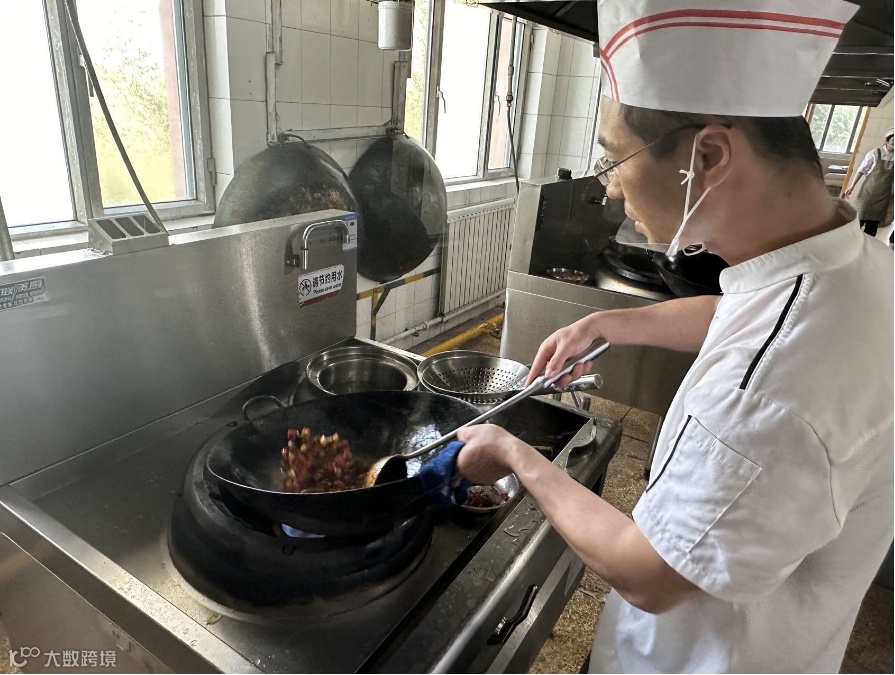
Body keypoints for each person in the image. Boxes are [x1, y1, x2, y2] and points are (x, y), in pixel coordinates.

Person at [454, 0, 894, 672]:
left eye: (614, 157)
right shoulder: (860, 267)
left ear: (707, 155)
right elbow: (744, 312)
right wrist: (607, 321)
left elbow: (648, 573)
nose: (609, 188)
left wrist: (513, 453)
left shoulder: (766, 391)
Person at [844, 129, 894, 238]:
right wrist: (852, 186)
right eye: (893, 139)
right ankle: (848, 244)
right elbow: (861, 170)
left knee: (872, 228)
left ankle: (866, 247)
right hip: (867, 194)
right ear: (887, 140)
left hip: (883, 198)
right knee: (857, 223)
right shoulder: (875, 153)